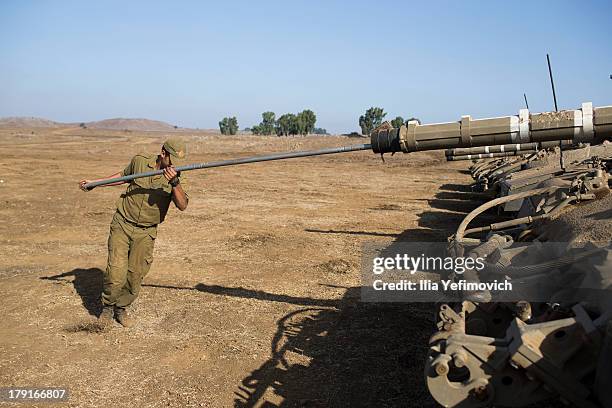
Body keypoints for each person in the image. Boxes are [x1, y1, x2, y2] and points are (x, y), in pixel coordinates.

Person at [79, 138, 189, 327]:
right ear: (163, 153)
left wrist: (175, 183)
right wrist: (95, 183)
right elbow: (122, 176)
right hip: (122, 224)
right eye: (172, 161)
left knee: (134, 275)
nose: (175, 167)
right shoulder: (140, 161)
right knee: (115, 273)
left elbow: (182, 205)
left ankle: (121, 308)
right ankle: (107, 307)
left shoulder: (176, 175)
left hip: (145, 232)